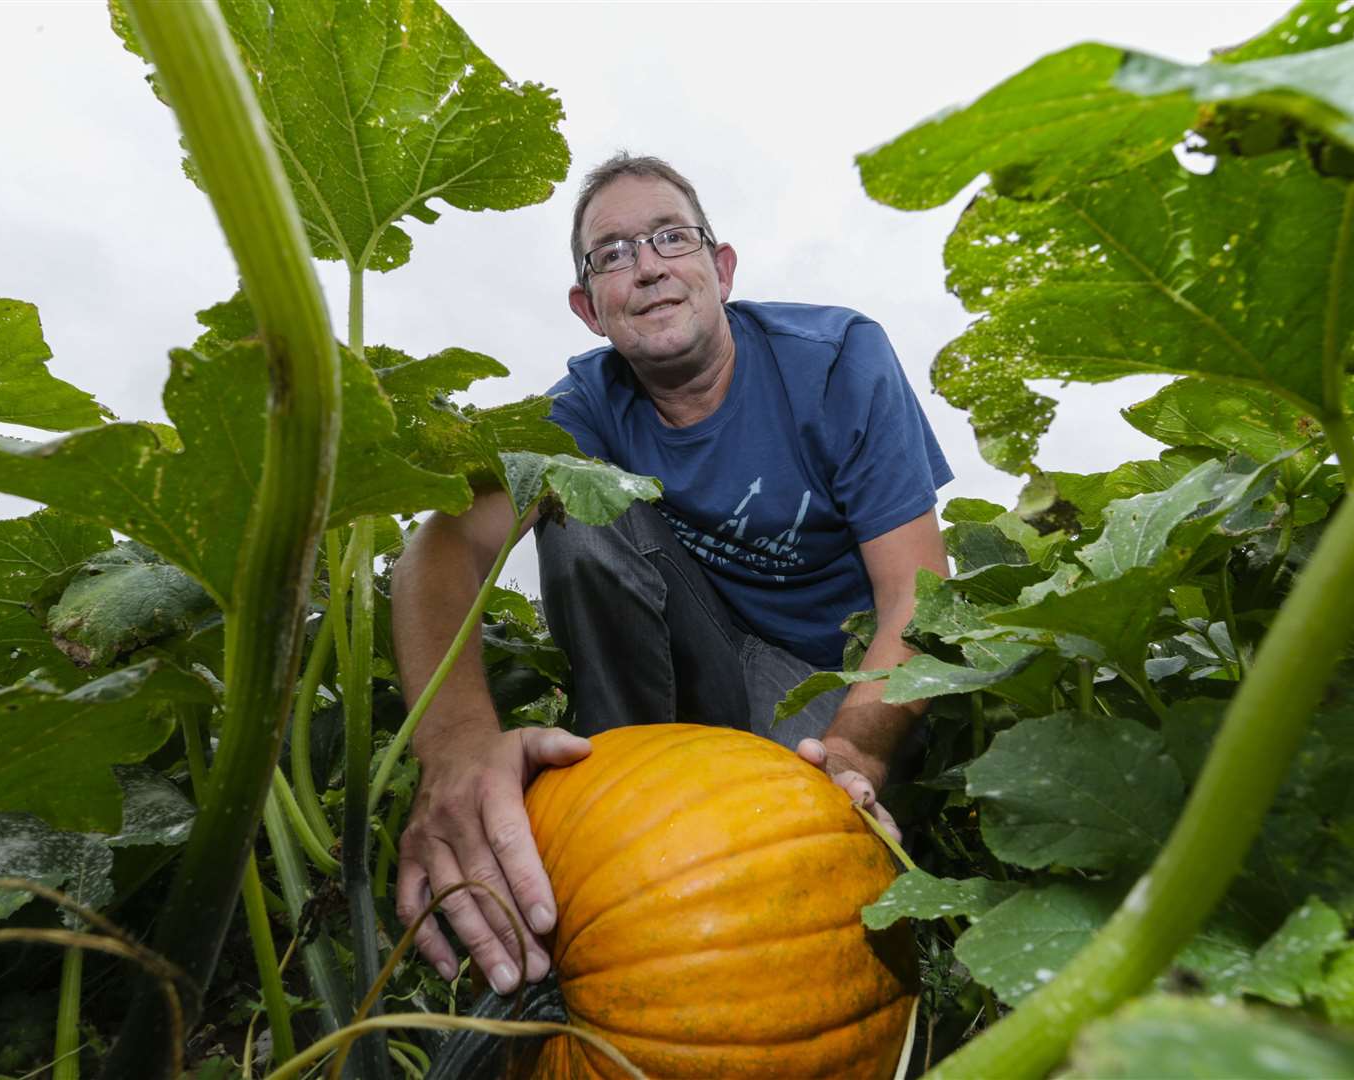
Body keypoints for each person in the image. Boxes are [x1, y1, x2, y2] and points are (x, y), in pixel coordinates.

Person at [391, 153, 953, 999]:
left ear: (720, 270)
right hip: (707, 656)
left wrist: (858, 747)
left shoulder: (837, 359)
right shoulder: (582, 409)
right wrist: (455, 746)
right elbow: (442, 546)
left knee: (769, 883)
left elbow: (915, 595)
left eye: (669, 238)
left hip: (830, 679)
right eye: (611, 254)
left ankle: (725, 822)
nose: (646, 265)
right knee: (577, 513)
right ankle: (613, 813)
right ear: (589, 309)